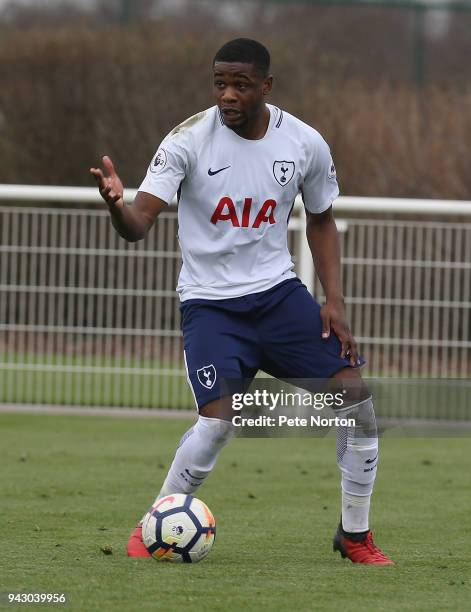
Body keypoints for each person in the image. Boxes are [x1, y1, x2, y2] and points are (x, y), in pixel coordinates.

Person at [90, 38, 393, 565]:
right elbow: (138, 225)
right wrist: (118, 206)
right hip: (210, 306)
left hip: (278, 298)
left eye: (240, 85)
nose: (227, 95)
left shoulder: (303, 143)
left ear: (266, 87)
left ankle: (356, 535)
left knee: (357, 402)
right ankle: (154, 523)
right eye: (220, 83)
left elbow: (321, 218)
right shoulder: (186, 140)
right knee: (218, 421)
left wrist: (334, 300)